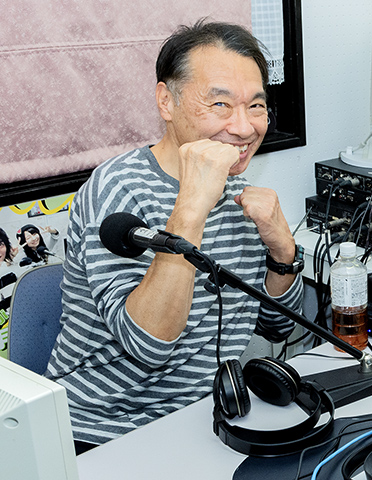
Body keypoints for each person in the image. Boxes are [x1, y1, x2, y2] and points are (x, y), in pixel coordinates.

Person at [46, 20, 303, 452]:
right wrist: (191, 207)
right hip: (98, 430)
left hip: (203, 420)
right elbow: (148, 345)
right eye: (220, 104)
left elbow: (277, 327)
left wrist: (282, 248)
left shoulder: (241, 193)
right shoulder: (116, 189)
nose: (243, 128)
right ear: (167, 101)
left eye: (256, 106)